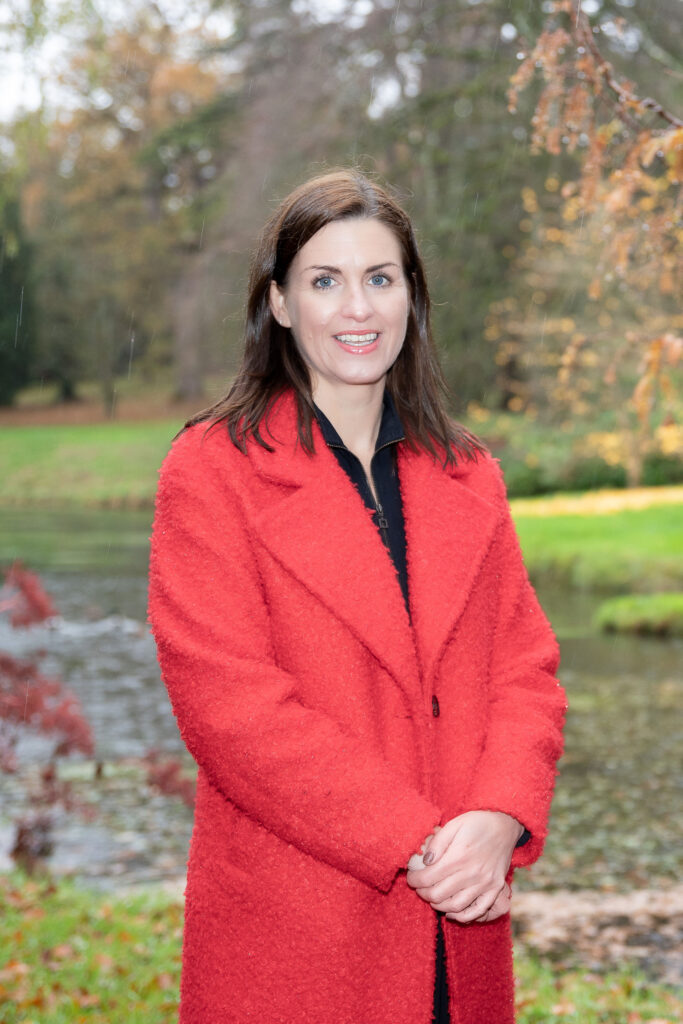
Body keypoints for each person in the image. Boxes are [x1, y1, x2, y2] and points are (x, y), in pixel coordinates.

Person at [148, 169, 567, 1024]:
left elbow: (523, 669)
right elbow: (231, 711)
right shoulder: (211, 471)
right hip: (301, 923)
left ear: (411, 296)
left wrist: (497, 816)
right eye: (324, 281)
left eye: (380, 278)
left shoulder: (466, 472)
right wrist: (413, 841)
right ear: (279, 302)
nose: (357, 308)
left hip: (460, 919)